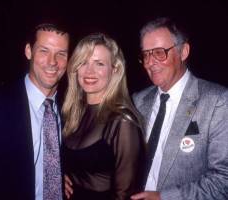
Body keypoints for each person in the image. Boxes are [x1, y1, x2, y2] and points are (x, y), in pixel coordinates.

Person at [131, 17, 228, 200]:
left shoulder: (217, 101)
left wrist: (164, 197)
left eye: (159, 52)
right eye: (145, 54)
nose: (149, 63)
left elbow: (223, 180)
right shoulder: (138, 100)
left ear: (183, 51)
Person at [0, 23, 70, 200]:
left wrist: (61, 173)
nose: (52, 62)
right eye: (44, 51)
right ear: (29, 51)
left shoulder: (70, 108)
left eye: (61, 54)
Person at [62, 33, 146, 200]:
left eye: (99, 63)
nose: (89, 71)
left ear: (114, 70)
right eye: (83, 62)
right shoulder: (70, 113)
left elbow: (124, 194)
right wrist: (59, 175)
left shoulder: (122, 122)